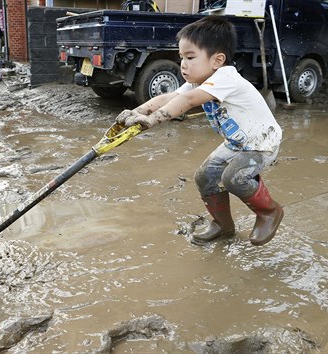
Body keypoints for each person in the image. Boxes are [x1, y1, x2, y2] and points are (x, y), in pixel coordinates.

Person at [115, 16, 284, 246]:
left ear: (218, 60)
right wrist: (137, 111)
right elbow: (171, 96)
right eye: (181, 57)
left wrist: (153, 120)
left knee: (233, 178)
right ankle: (223, 225)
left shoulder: (226, 77)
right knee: (204, 177)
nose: (183, 63)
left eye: (190, 57)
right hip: (236, 142)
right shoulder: (198, 80)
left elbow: (188, 101)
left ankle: (269, 211)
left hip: (260, 144)